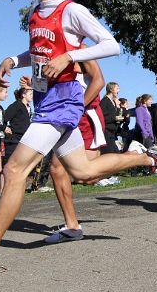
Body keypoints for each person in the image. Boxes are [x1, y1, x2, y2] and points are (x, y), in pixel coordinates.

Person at [0, 0, 157, 280]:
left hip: (65, 101)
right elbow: (38, 58)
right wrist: (13, 60)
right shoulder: (35, 15)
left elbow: (111, 45)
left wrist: (69, 56)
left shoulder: (71, 11)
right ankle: (145, 158)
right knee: (84, 170)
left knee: (14, 169)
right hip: (47, 99)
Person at [44, 55, 106, 243]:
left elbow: (99, 81)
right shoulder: (52, 51)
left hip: (85, 116)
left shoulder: (81, 49)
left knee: (88, 177)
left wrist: (77, 107)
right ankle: (72, 227)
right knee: (57, 169)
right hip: (67, 117)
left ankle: (139, 157)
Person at [2, 88, 33, 194]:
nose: (32, 95)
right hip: (13, 138)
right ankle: (3, 191)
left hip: (23, 139)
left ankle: (14, 188)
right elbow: (4, 117)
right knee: (9, 164)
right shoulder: (16, 106)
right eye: (30, 93)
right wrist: (4, 128)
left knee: (20, 165)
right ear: (23, 95)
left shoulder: (28, 108)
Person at [99, 82, 121, 154]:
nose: (119, 90)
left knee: (117, 155)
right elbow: (103, 117)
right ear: (111, 89)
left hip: (112, 134)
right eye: (117, 88)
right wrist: (115, 118)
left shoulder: (113, 102)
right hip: (106, 133)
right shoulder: (105, 101)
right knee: (107, 155)